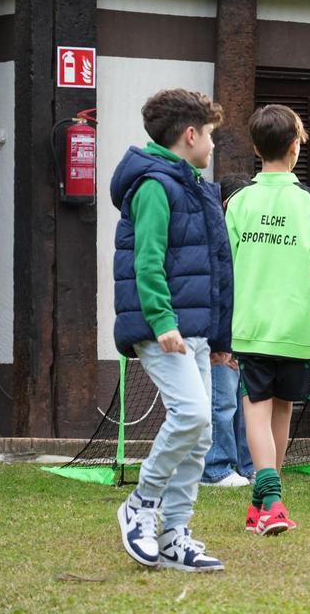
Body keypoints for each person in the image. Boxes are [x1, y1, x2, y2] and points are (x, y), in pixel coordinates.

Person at [110, 89, 231, 572]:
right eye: (210, 136)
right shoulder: (157, 187)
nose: (213, 146)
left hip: (196, 332)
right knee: (192, 417)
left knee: (199, 435)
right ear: (189, 135)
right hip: (167, 330)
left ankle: (175, 534)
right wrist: (162, 322)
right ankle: (140, 504)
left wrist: (219, 341)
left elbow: (215, 268)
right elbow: (148, 262)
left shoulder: (194, 185)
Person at [227, 104, 310, 536]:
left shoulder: (238, 202)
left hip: (252, 329)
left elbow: (226, 271)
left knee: (255, 416)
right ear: (296, 146)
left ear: (257, 148)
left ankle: (267, 504)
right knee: (280, 414)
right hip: (297, 333)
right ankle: (270, 505)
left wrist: (224, 331)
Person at [201, 174, 256, 488]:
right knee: (222, 403)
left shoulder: (245, 243)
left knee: (244, 406)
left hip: (244, 337)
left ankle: (245, 466)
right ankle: (215, 469)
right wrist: (218, 342)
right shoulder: (214, 241)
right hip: (220, 339)